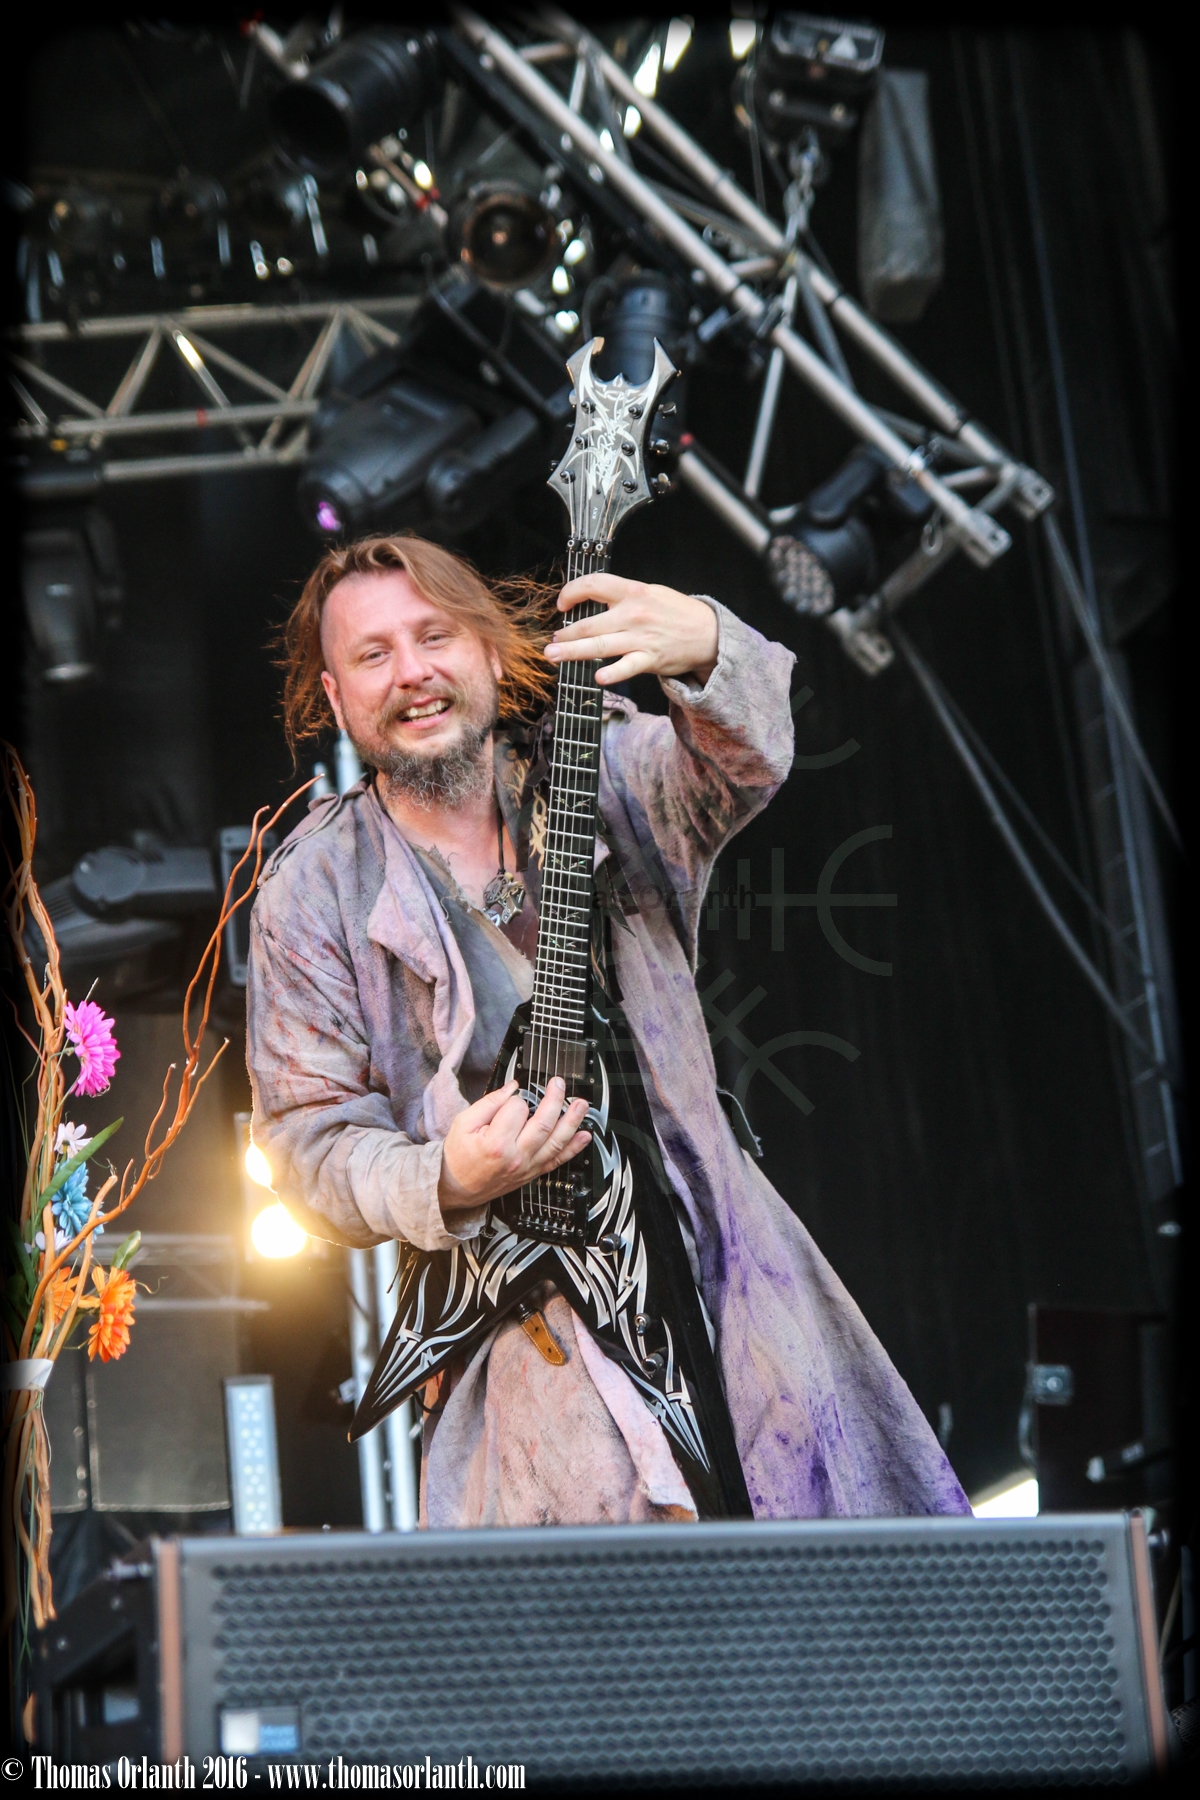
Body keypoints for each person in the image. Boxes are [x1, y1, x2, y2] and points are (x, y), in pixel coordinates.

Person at [246, 533, 969, 1527]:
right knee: (598, 1608)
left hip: (724, 1272)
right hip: (526, 1353)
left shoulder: (604, 768)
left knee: (822, 1585)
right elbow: (305, 1141)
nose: (411, 671)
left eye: (434, 636)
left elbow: (745, 762)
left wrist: (710, 643)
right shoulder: (314, 886)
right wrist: (443, 1177)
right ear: (335, 699)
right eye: (374, 655)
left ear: (489, 650)